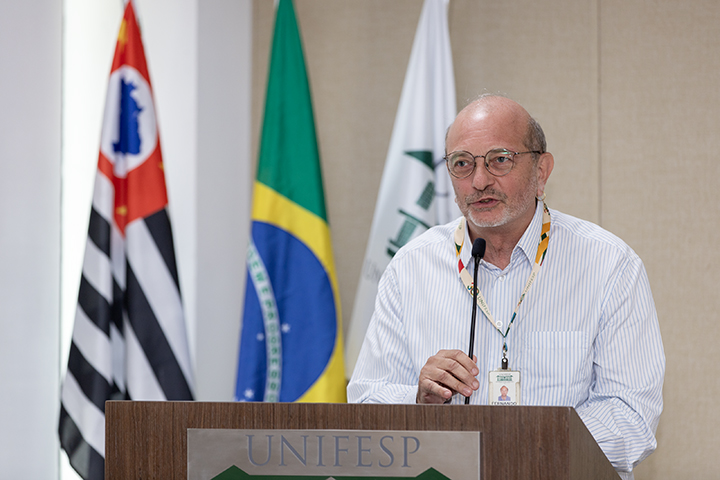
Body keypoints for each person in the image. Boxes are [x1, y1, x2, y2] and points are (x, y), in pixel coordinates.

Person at [347, 94, 665, 480]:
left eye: (500, 160)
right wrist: (418, 399)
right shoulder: (411, 267)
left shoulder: (609, 265)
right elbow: (366, 399)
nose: (479, 181)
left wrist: (520, 447)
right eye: (462, 164)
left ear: (541, 170)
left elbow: (632, 416)